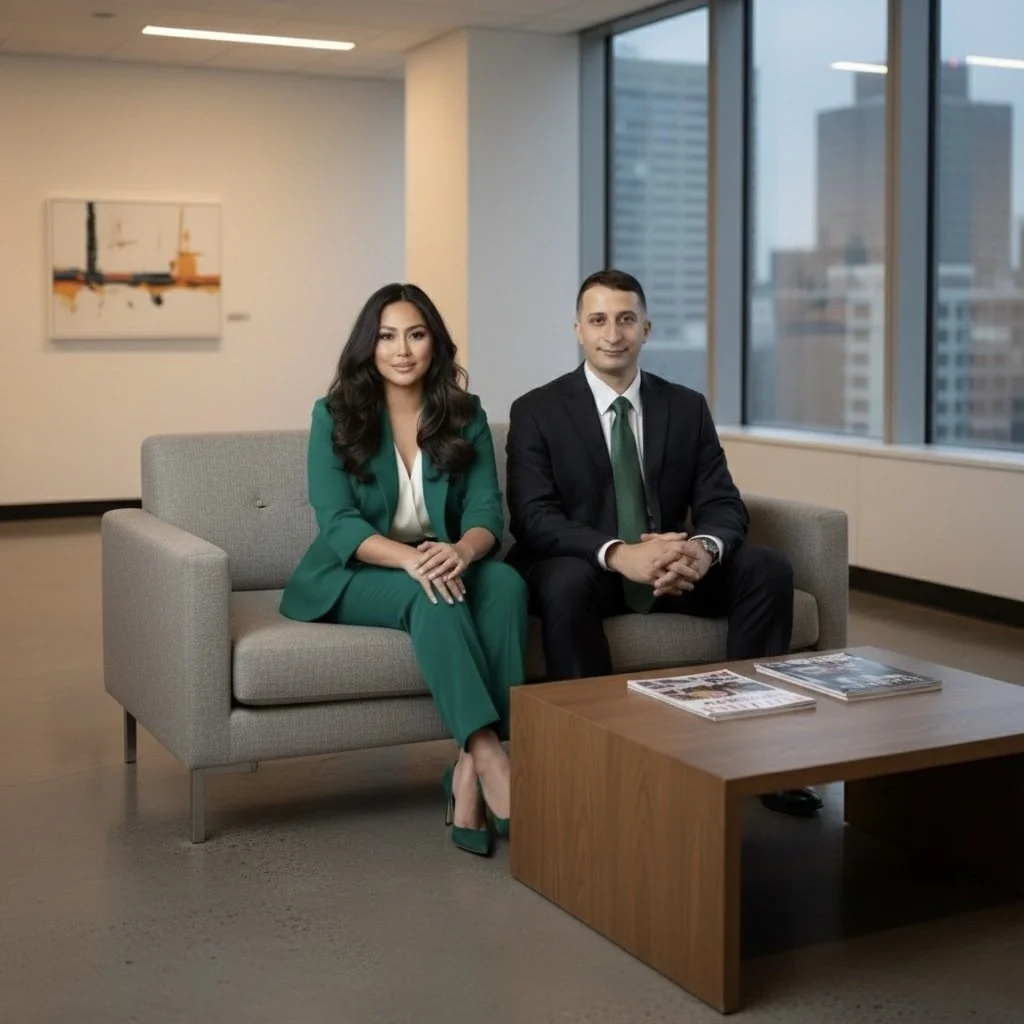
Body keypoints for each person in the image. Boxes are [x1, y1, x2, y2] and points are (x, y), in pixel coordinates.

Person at [505, 269, 822, 818]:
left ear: (646, 329)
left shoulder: (685, 406)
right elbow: (534, 518)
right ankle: (590, 758)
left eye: (626, 319)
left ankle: (758, 755)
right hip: (588, 567)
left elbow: (724, 502)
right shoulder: (536, 410)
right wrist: (620, 554)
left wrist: (700, 550)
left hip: (671, 566)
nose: (613, 334)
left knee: (766, 569)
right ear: (577, 330)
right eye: (598, 320)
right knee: (563, 582)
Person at [281, 283, 529, 854]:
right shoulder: (334, 415)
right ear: (368, 346)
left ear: (434, 344)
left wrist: (464, 551)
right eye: (387, 336)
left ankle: (466, 775)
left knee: (508, 584)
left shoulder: (465, 414)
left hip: (444, 557)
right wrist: (413, 560)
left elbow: (487, 509)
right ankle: (492, 758)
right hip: (356, 571)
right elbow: (338, 521)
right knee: (433, 595)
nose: (402, 349)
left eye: (416, 335)